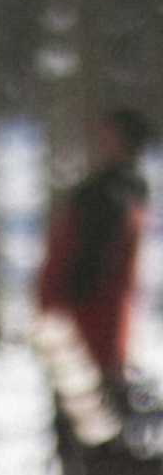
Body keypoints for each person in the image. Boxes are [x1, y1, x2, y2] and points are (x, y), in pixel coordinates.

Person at [36, 106, 151, 397]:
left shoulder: (110, 193)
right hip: (90, 322)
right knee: (89, 408)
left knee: (88, 412)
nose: (98, 140)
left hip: (87, 322)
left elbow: (91, 261)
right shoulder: (117, 189)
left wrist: (64, 302)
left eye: (107, 133)